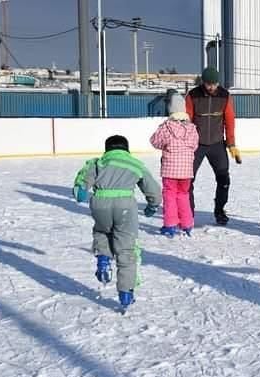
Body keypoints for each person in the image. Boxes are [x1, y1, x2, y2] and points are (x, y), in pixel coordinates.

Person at [72, 135, 162, 310]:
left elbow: (81, 185)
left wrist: (81, 193)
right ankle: (126, 293)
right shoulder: (135, 164)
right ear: (126, 150)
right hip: (125, 207)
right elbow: (154, 191)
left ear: (107, 150)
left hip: (100, 204)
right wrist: (152, 206)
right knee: (127, 249)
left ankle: (104, 258)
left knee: (101, 231)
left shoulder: (98, 163)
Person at [185, 67, 241, 226]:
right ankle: (188, 211)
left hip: (217, 144)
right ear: (203, 82)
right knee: (188, 179)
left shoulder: (225, 96)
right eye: (209, 84)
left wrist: (231, 144)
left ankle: (220, 210)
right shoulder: (193, 95)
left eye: (214, 84)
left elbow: (230, 121)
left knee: (224, 179)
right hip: (196, 144)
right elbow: (187, 120)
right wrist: (185, 143)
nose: (211, 87)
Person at [150, 94, 199, 237]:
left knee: (170, 196)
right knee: (183, 195)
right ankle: (187, 224)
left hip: (170, 170)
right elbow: (195, 145)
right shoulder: (192, 128)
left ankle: (170, 225)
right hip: (186, 171)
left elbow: (155, 141)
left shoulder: (166, 127)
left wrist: (166, 146)